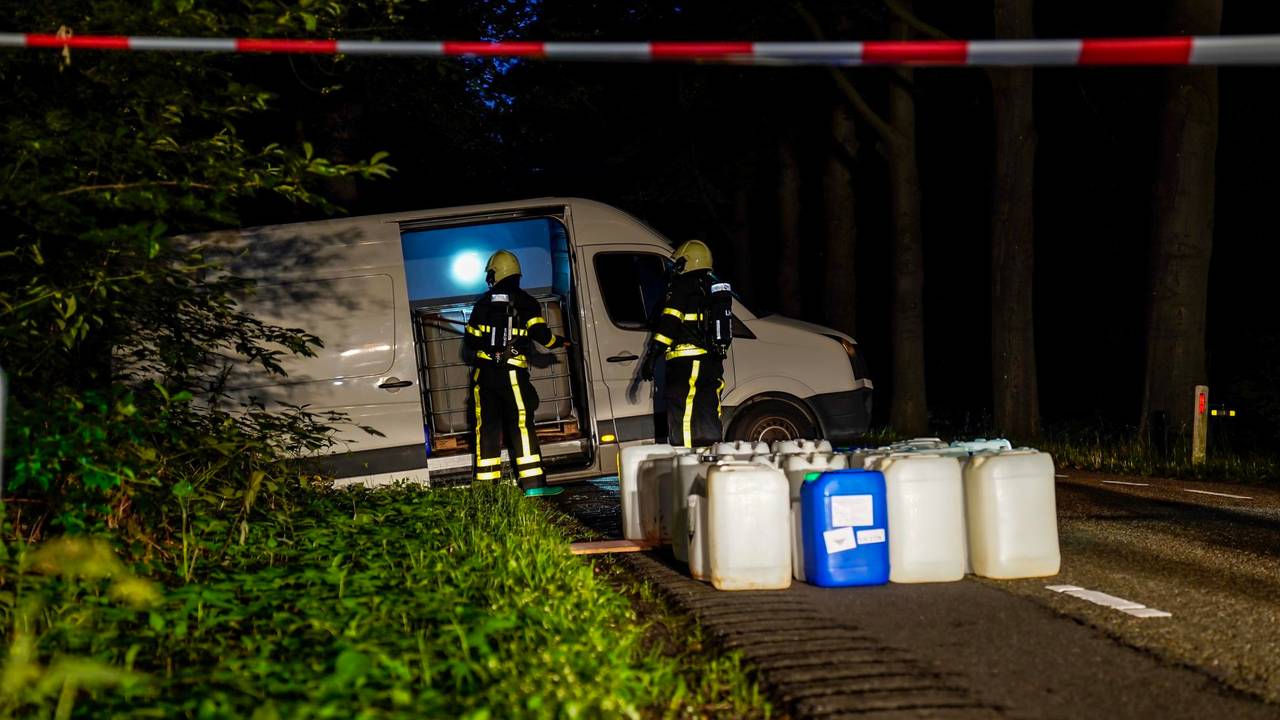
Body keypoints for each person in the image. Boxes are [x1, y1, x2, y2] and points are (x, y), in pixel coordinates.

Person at [464, 250, 569, 497]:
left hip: (483, 377)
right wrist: (560, 342)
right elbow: (542, 336)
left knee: (486, 429)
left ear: (495, 274)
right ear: (516, 274)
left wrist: (488, 342)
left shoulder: (482, 303)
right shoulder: (526, 302)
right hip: (511, 375)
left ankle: (486, 490)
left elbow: (470, 341)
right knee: (521, 426)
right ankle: (534, 485)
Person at [641, 239, 730, 449]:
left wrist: (653, 355)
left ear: (685, 262)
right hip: (710, 361)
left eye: (677, 263)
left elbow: (669, 323)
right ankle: (711, 456)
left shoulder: (682, 286)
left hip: (687, 363)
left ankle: (685, 457)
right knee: (707, 407)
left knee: (683, 410)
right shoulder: (709, 286)